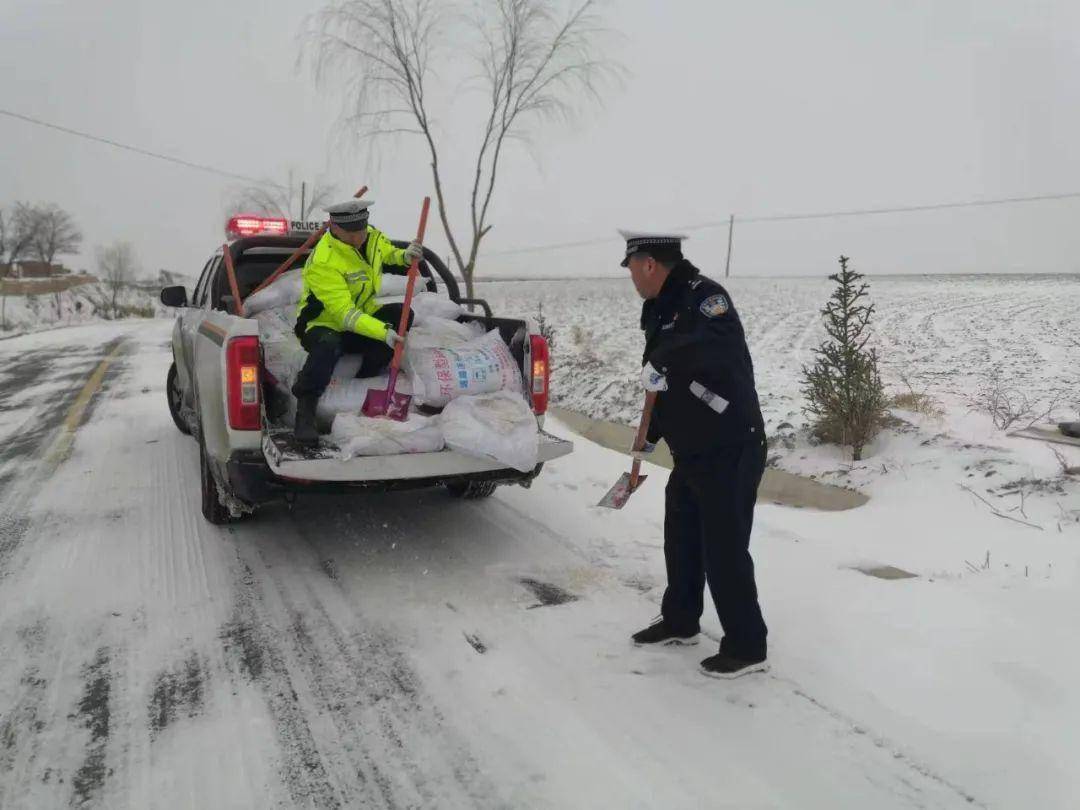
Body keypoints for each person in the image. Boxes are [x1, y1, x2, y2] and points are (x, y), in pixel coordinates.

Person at [621, 230, 770, 679]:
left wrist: (663, 357)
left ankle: (747, 646)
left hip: (730, 443)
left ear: (649, 264)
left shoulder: (707, 298)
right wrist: (652, 434)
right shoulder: (658, 307)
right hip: (693, 449)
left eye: (631, 267)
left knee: (724, 548)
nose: (630, 277)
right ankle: (681, 620)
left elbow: (712, 348)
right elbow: (667, 386)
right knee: (681, 536)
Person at [291, 199, 423, 444]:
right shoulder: (323, 261)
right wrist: (383, 332)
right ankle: (305, 411)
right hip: (324, 323)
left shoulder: (371, 236)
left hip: (363, 315)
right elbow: (344, 314)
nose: (358, 238)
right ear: (333, 227)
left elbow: (387, 253)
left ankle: (367, 378)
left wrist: (405, 256)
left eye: (361, 230)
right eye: (351, 234)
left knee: (402, 314)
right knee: (327, 344)